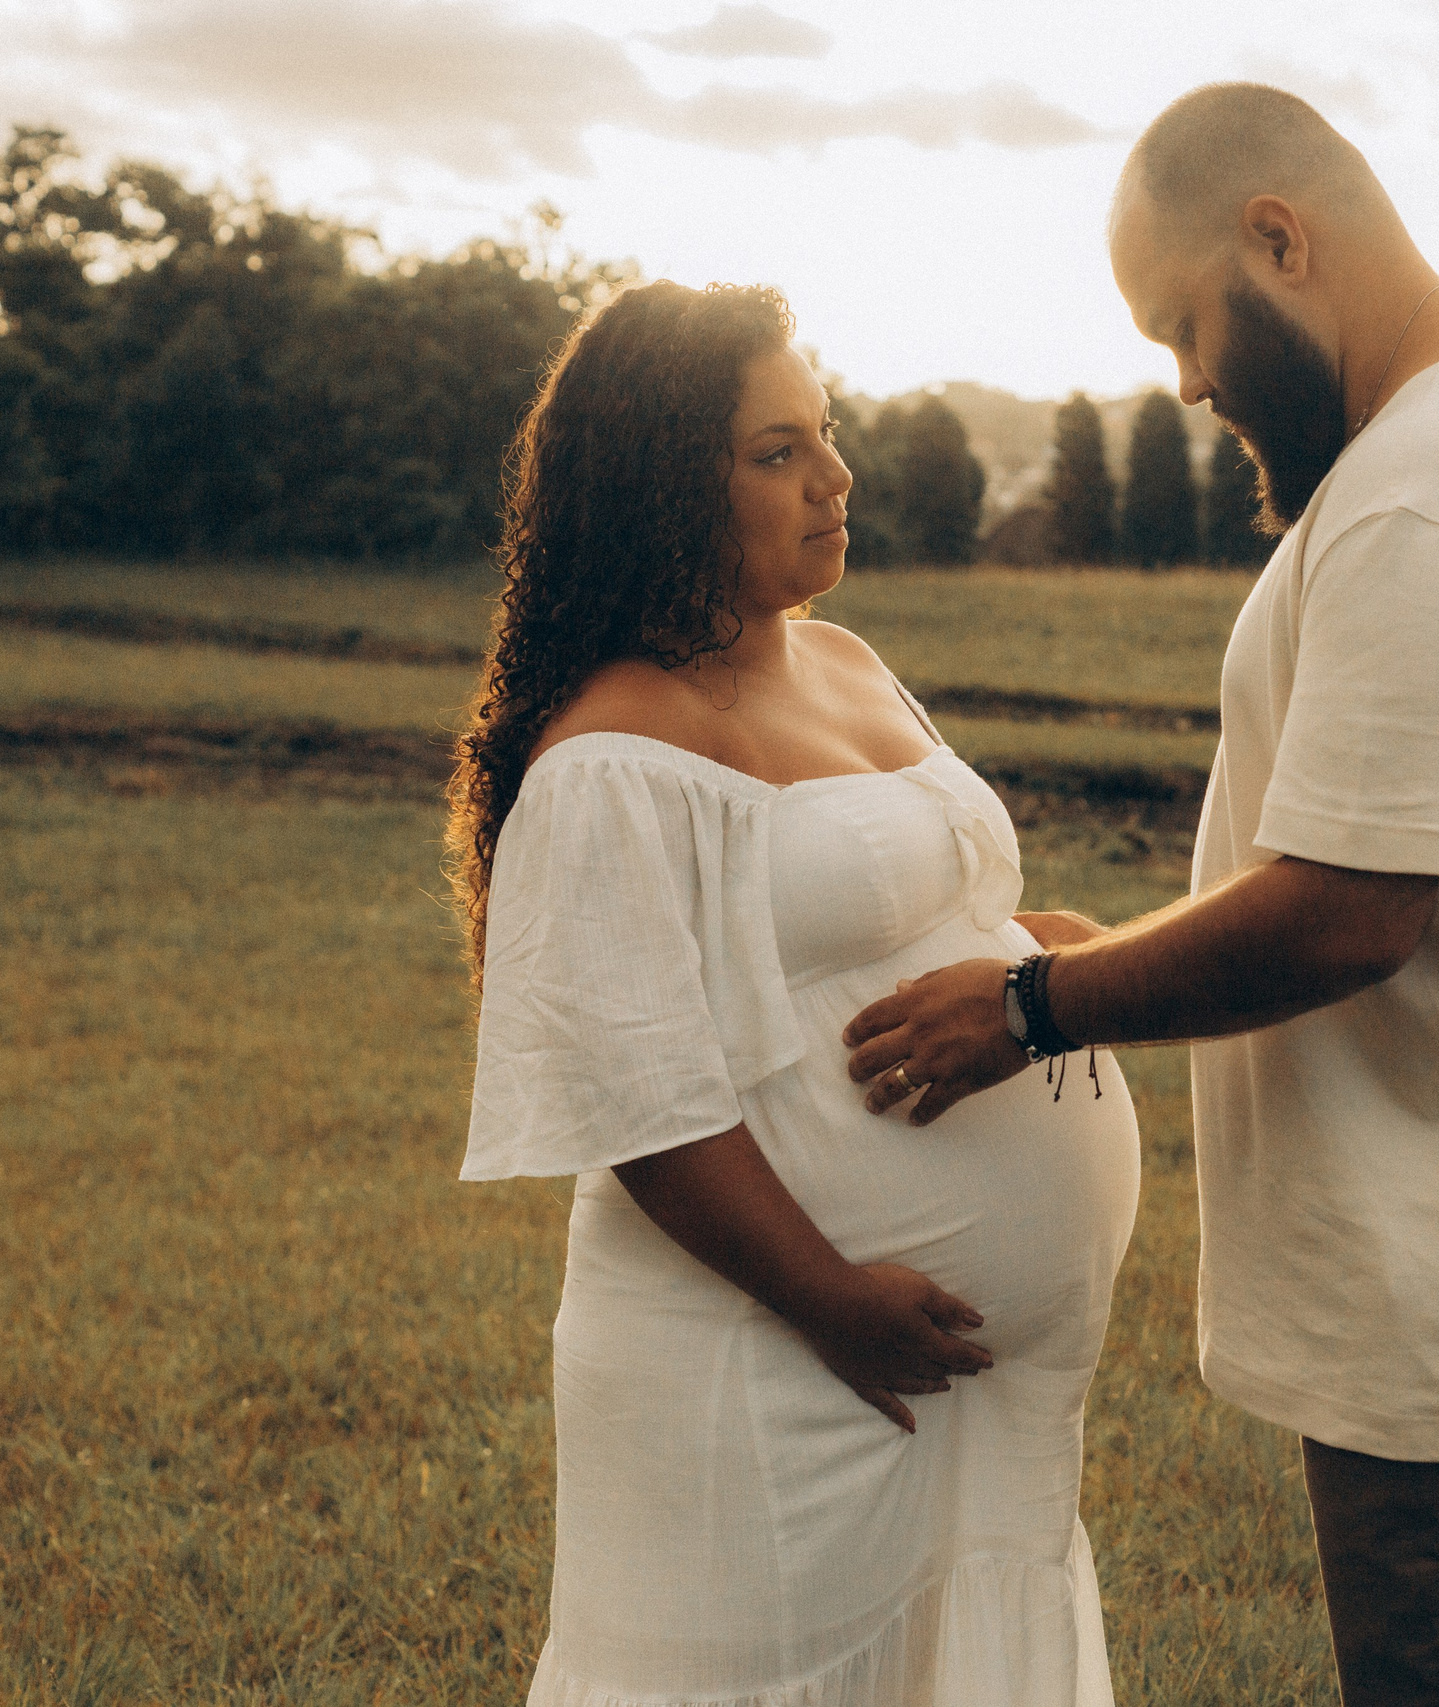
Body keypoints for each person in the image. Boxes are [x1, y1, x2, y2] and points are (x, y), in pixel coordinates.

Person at [843, 85, 1439, 1706]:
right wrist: (1126, 945)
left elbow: (1352, 904)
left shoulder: (1426, 494)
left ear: (1280, 239)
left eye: (1181, 325)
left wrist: (1033, 1008)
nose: (1187, 384)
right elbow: (1385, 862)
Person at [447, 280, 1139, 1707]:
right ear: (658, 485)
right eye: (777, 451)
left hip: (945, 1389)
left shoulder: (845, 660)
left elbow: (921, 903)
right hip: (771, 1364)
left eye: (824, 434)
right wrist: (827, 1297)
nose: (835, 478)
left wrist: (1042, 958)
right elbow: (635, 1096)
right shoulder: (608, 755)